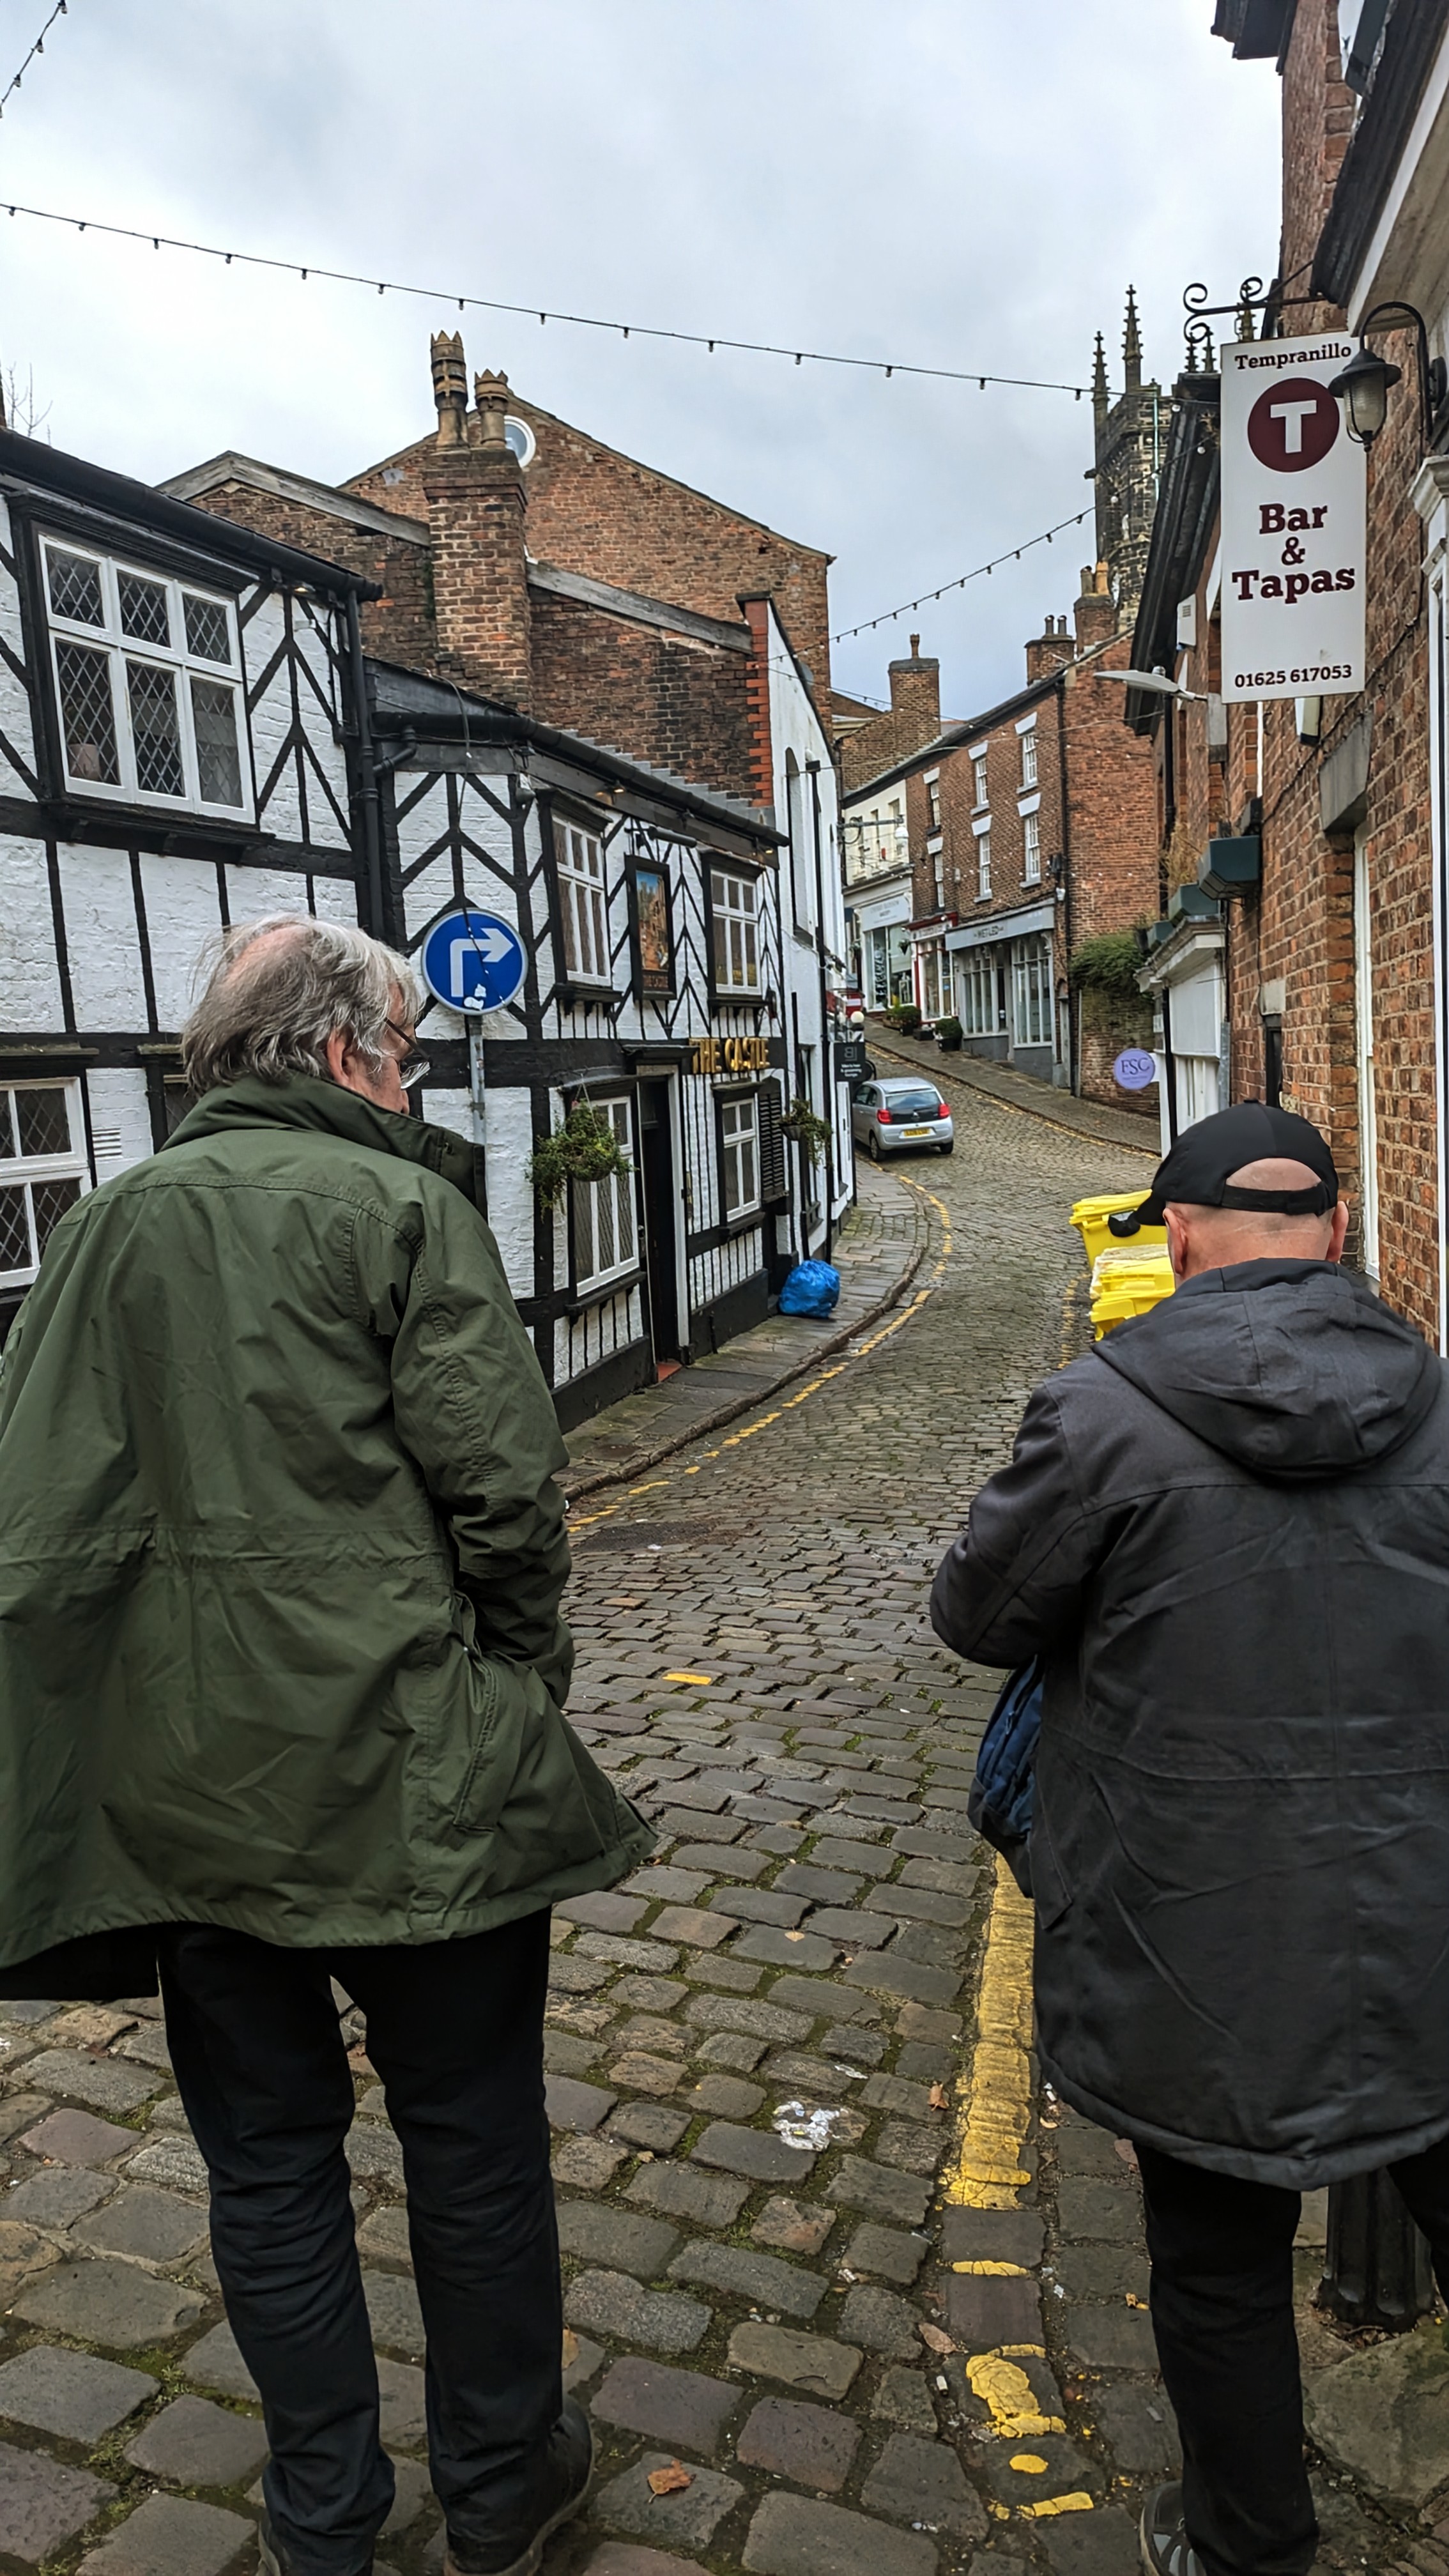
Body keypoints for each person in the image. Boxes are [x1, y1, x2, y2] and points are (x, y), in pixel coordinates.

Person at [0, 916, 653, 2576]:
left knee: (270, 2168)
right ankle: (500, 2496)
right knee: (473, 2145)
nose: (414, 1077)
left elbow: (38, 1511)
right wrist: (517, 1686)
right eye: (408, 1050)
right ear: (347, 1049)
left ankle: (325, 2523)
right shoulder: (399, 1208)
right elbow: (507, 1496)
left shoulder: (102, 1229)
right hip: (418, 1778)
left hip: (193, 1798)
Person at [930, 1101, 1449, 2576]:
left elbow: (978, 1614)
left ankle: (1247, 2547)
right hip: (1424, 1917)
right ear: (1336, 1233)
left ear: (1176, 1240)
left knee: (1218, 2269)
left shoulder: (1100, 1413)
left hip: (1193, 1929)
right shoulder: (1442, 1401)